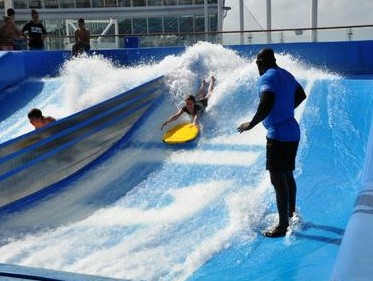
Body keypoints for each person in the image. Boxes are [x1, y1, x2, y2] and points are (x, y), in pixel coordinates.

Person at [237, 48, 306, 238]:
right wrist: (285, 110)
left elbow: (266, 101)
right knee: (287, 174)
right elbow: (301, 94)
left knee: (278, 181)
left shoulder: (266, 78)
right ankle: (290, 212)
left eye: (257, 64)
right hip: (292, 132)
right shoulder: (286, 74)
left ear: (260, 63)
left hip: (278, 136)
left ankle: (283, 225)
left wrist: (252, 123)